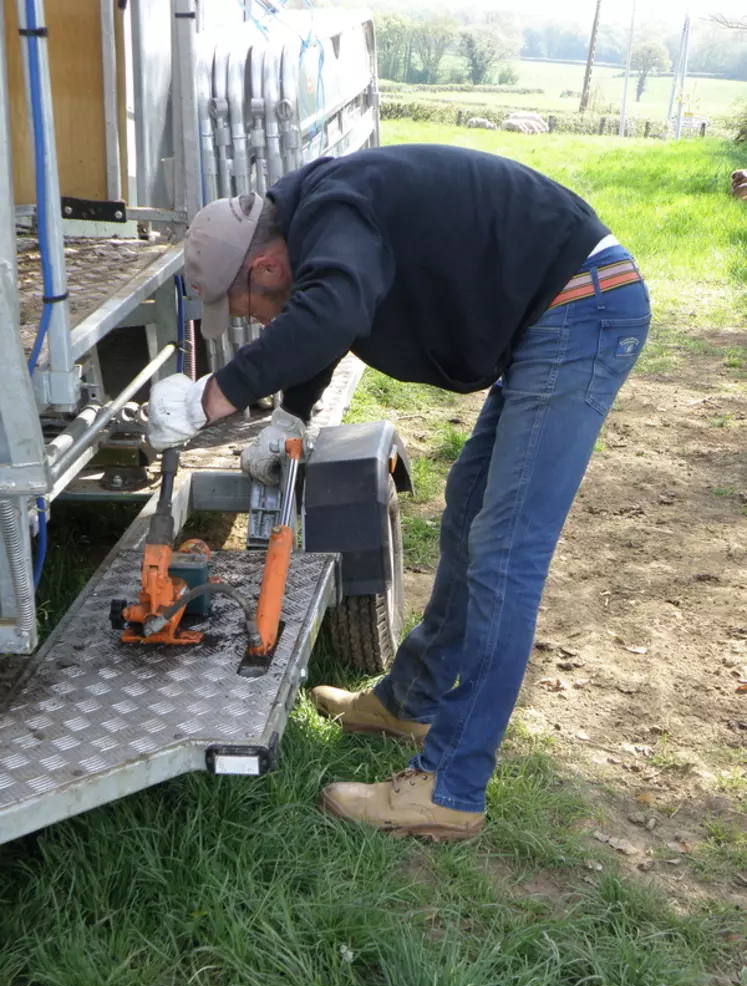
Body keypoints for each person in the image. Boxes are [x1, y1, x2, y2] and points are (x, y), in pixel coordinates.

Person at [148, 144, 650, 841]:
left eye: (249, 309)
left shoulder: (332, 209)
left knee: (506, 554)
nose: (261, 325)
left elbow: (327, 312)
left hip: (579, 310)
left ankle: (451, 786)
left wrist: (213, 398)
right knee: (466, 521)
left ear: (264, 266)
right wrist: (292, 411)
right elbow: (329, 312)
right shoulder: (317, 219)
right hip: (555, 312)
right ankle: (407, 701)